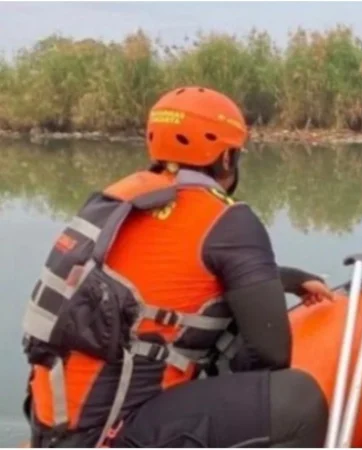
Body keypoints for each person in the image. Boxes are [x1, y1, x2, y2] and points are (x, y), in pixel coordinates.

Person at [20, 86, 332, 448]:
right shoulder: (228, 219)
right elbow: (272, 353)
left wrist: (288, 280)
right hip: (114, 431)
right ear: (227, 158)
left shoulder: (120, 199)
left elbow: (161, 287)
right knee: (299, 399)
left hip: (55, 424)